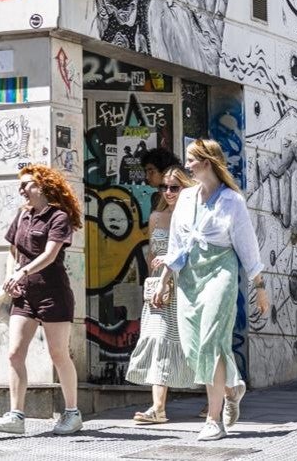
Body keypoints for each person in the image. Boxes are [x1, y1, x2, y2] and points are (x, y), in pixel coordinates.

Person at [153, 139, 269, 441]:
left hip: (221, 272)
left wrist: (259, 286)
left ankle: (213, 419)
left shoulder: (232, 201)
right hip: (190, 277)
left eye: (192, 160)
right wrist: (164, 280)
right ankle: (231, 389)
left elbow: (247, 246)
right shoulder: (187, 198)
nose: (187, 165)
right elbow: (177, 247)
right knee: (193, 347)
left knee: (211, 341)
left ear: (206, 162)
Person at [0, 164, 84, 436]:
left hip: (53, 293)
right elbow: (13, 251)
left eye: (27, 184)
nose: (22, 189)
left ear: (43, 187)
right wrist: (11, 279)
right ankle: (16, 415)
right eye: (21, 184)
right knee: (15, 352)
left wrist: (22, 272)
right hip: (24, 295)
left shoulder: (58, 217)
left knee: (58, 354)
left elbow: (51, 255)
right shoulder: (22, 215)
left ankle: (72, 413)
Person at [126, 166, 198, 424]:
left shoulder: (193, 216)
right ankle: (158, 408)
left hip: (186, 286)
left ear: (186, 188)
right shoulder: (156, 217)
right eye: (164, 187)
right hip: (160, 288)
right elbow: (149, 255)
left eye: (174, 187)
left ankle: (224, 394)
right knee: (158, 338)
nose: (168, 192)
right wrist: (152, 284)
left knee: (199, 343)